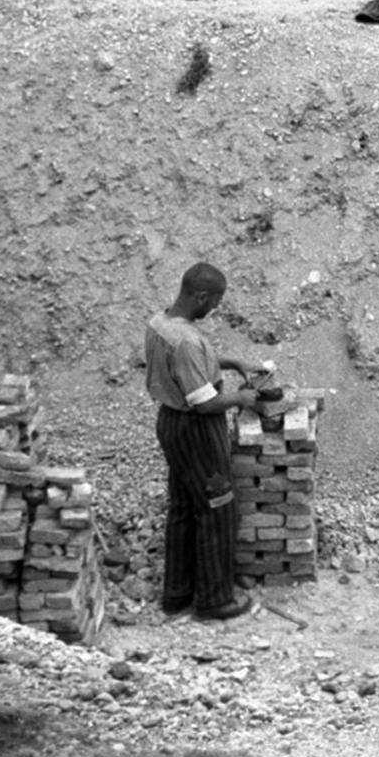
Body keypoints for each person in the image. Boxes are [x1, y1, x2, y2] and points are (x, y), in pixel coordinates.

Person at [146, 262, 269, 622]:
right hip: (196, 430)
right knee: (217, 506)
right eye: (214, 301)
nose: (215, 307)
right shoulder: (186, 340)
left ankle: (177, 594)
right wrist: (242, 400)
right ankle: (215, 600)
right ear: (200, 295)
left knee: (184, 507)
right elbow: (205, 403)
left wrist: (231, 362)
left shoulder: (162, 324)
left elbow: (189, 362)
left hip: (171, 423)